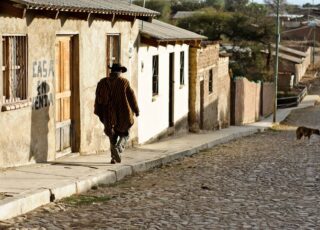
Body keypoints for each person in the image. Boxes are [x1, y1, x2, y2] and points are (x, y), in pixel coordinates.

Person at [94, 63, 139, 164]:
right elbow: (131, 96)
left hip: (108, 113)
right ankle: (119, 148)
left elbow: (98, 97)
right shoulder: (124, 82)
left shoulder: (102, 82)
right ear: (120, 71)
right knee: (125, 133)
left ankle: (113, 158)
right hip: (122, 113)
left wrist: (101, 109)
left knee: (112, 135)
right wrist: (136, 110)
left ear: (112, 71)